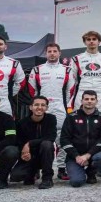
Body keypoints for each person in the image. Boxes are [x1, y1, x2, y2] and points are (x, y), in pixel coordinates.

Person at [27, 42, 75, 181]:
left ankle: (61, 168)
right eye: (49, 51)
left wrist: (62, 104)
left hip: (60, 107)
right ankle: (36, 168)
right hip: (41, 108)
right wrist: (38, 105)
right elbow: (32, 91)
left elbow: (70, 91)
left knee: (62, 138)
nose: (52, 54)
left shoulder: (67, 70)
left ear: (59, 53)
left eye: (55, 51)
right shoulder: (37, 70)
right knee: (38, 138)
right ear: (46, 53)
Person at [60, 90, 101, 187]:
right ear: (82, 101)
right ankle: (79, 172)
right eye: (86, 99)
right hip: (75, 157)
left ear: (96, 101)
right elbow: (64, 139)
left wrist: (88, 155)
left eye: (92, 99)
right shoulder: (71, 117)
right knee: (76, 182)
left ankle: (91, 172)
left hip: (93, 154)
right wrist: (77, 156)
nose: (89, 101)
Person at [10, 96, 57, 189]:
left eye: (43, 105)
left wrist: (29, 143)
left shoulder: (51, 119)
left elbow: (51, 137)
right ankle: (33, 173)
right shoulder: (22, 122)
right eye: (36, 105)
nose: (39, 107)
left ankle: (47, 178)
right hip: (30, 156)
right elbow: (19, 141)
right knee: (16, 176)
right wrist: (24, 154)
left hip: (45, 154)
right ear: (31, 107)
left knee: (47, 144)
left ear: (47, 108)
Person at [70, 31, 101, 114]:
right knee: (79, 119)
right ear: (85, 42)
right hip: (81, 93)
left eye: (94, 39)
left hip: (100, 95)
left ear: (99, 42)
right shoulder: (76, 59)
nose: (91, 41)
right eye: (88, 39)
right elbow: (73, 80)